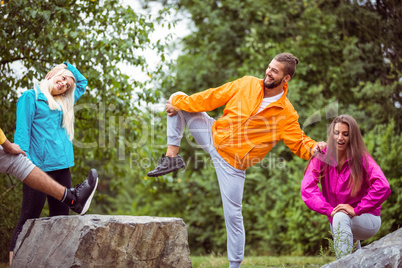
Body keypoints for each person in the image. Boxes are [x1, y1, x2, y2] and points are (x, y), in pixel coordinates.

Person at [147, 53, 327, 267]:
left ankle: (235, 266)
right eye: (269, 67)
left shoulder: (286, 114)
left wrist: (314, 147)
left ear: (286, 78)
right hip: (212, 134)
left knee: (233, 216)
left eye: (275, 71)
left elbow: (299, 141)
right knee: (177, 96)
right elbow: (212, 97)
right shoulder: (247, 83)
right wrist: (178, 104)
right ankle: (171, 158)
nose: (268, 72)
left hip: (233, 165)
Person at [9, 62, 96, 264]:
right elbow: (22, 137)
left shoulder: (63, 101)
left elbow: (81, 82)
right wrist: (27, 168)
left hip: (62, 169)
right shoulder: (30, 98)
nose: (65, 84)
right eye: (63, 78)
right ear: (52, 75)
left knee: (61, 221)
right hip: (37, 170)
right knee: (28, 219)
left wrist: (67, 66)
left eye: (67, 84)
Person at [1, 128, 98, 265]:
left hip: (61, 166)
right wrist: (24, 159)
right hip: (36, 165)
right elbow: (23, 133)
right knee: (28, 218)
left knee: (61, 222)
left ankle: (73, 199)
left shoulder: (62, 105)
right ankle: (73, 199)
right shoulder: (28, 104)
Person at [301, 115, 391, 259]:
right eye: (336, 133)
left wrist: (357, 209)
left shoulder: (362, 159)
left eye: (345, 134)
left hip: (367, 218)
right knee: (354, 258)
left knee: (340, 218)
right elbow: (307, 188)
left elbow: (383, 186)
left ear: (352, 136)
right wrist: (329, 210)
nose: (340, 138)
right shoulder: (322, 156)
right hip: (338, 218)